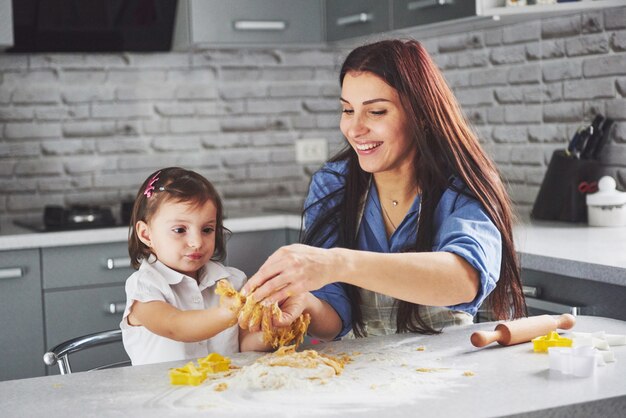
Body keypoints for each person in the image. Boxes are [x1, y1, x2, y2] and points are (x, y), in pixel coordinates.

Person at [241, 39, 527, 341]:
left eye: (376, 112)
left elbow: (463, 280)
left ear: (421, 114)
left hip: (445, 368)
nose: (354, 128)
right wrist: (304, 307)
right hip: (362, 372)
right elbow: (335, 315)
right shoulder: (332, 185)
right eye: (347, 110)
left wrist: (338, 263)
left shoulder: (463, 184)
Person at [121, 167, 269, 365]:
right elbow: (176, 326)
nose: (197, 242)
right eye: (180, 230)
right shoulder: (144, 286)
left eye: (207, 229)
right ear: (146, 234)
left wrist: (270, 332)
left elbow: (246, 347)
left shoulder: (233, 281)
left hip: (223, 390)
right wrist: (227, 313)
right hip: (162, 393)